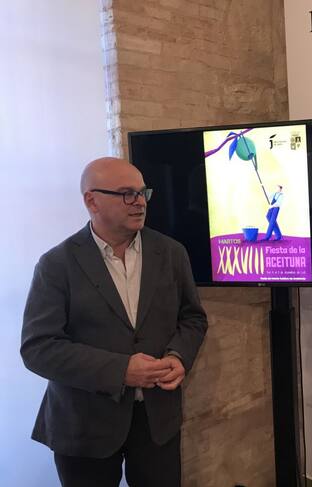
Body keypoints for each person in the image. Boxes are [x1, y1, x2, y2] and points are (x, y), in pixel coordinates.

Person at [21, 157, 208, 487]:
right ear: (91, 201)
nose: (139, 202)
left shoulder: (171, 252)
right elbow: (38, 348)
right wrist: (122, 370)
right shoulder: (56, 265)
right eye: (126, 193)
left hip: (156, 421)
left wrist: (179, 356)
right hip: (84, 424)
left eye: (142, 192)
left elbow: (192, 317)